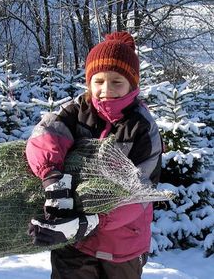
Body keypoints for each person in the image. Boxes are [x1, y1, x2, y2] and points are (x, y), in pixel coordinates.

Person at [26, 32, 162, 279]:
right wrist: (51, 176)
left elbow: (140, 191)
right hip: (73, 246)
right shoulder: (77, 111)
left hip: (122, 243)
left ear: (132, 83)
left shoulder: (142, 127)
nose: (106, 90)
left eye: (116, 82)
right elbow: (44, 137)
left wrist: (89, 222)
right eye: (98, 81)